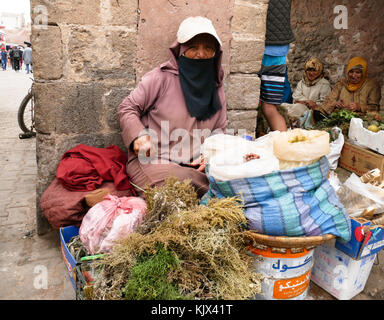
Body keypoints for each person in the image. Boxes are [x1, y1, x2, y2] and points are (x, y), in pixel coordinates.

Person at [118, 16, 227, 198]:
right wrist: (138, 136)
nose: (201, 54)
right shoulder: (160, 78)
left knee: (235, 179)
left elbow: (219, 130)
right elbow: (127, 107)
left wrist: (210, 155)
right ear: (181, 50)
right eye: (193, 48)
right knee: (174, 185)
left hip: (195, 167)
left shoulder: (216, 87)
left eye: (208, 48)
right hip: (154, 163)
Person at [257, 0, 295, 132]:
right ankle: (283, 145)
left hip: (259, 45)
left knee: (252, 101)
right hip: (279, 49)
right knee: (269, 107)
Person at [316, 56, 381, 118]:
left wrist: (359, 107)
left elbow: (375, 108)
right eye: (351, 71)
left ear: (363, 73)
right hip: (341, 119)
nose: (353, 75)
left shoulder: (372, 85)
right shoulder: (341, 83)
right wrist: (336, 104)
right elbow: (327, 102)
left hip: (363, 121)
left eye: (358, 72)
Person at [280, 57, 332, 128]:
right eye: (309, 70)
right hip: (299, 105)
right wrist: (308, 102)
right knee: (282, 106)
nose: (311, 73)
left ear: (319, 71)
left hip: (312, 111)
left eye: (314, 70)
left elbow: (324, 103)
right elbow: (296, 97)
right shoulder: (302, 82)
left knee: (298, 109)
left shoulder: (324, 84)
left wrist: (310, 104)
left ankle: (285, 125)